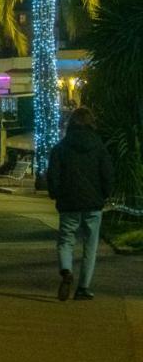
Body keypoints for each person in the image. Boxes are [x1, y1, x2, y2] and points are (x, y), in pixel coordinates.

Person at [47, 107, 113, 301]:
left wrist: (55, 194)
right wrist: (105, 194)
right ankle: (83, 287)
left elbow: (53, 174)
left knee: (66, 240)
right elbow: (107, 173)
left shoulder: (60, 147)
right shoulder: (99, 146)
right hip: (93, 204)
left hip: (69, 202)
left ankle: (66, 270)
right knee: (90, 246)